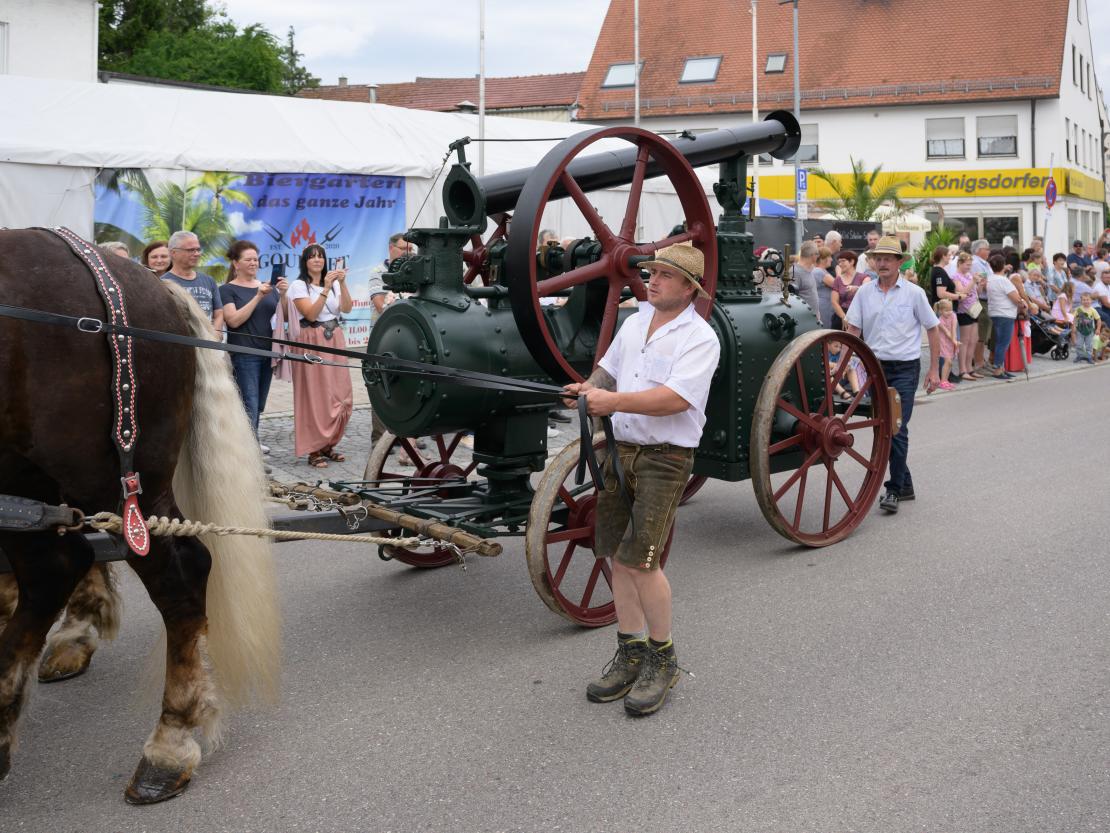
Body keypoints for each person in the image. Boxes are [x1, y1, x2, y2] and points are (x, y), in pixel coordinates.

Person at [563, 243, 719, 717]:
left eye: (665, 275)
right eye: (651, 273)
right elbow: (609, 371)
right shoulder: (634, 323)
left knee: (642, 561)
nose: (652, 280)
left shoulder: (700, 338)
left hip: (665, 458)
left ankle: (663, 659)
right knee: (616, 554)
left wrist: (611, 403)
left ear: (689, 288)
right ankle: (630, 652)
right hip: (621, 449)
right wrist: (589, 389)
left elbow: (675, 400)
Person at [844, 236, 940, 515]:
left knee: (896, 428)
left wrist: (934, 369)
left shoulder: (914, 293)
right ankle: (905, 483)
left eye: (888, 258)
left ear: (899, 262)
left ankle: (894, 489)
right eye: (878, 258)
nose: (882, 263)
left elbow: (933, 328)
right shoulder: (864, 293)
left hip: (905, 369)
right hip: (875, 369)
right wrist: (844, 365)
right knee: (883, 428)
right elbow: (853, 330)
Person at [285, 243, 354, 468]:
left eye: (321, 256)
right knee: (314, 395)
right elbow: (311, 314)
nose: (317, 260)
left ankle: (328, 444)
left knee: (340, 394)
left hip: (334, 338)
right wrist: (325, 288)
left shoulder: (333, 284)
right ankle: (313, 449)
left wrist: (342, 283)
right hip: (311, 341)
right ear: (305, 262)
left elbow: (347, 308)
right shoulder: (298, 286)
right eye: (312, 257)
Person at [220, 240, 286, 441]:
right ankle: (251, 451)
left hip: (268, 353)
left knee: (258, 406)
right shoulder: (227, 290)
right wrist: (258, 297)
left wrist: (283, 294)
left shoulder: (268, 287)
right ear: (236, 263)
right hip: (245, 355)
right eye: (248, 259)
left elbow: (284, 317)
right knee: (249, 404)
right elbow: (233, 320)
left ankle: (249, 444)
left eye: (256, 259)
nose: (253, 263)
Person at [162, 230, 224, 331]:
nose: (197, 254)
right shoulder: (163, 283)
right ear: (173, 253)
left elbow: (219, 312)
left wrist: (216, 333)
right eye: (190, 250)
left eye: (198, 249)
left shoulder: (209, 280)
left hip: (208, 340)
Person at [986, 253, 1026, 380]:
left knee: (1000, 341)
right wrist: (1023, 304)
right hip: (1005, 313)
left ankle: (1001, 368)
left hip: (995, 311)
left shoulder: (990, 279)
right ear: (1003, 265)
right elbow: (1015, 298)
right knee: (1003, 342)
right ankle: (998, 369)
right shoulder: (1004, 281)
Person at [950, 253, 981, 381]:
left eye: (970, 265)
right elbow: (962, 292)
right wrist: (973, 281)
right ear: (960, 263)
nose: (969, 267)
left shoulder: (968, 275)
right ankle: (962, 370)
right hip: (964, 311)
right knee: (965, 340)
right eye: (967, 265)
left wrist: (980, 284)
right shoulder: (955, 277)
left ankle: (969, 368)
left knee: (974, 339)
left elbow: (975, 292)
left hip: (974, 309)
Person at [830, 250, 869, 330]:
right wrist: (844, 317)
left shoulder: (864, 277)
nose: (840, 264)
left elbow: (867, 292)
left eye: (843, 261)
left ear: (852, 262)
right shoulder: (838, 279)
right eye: (839, 262)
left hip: (858, 316)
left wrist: (856, 289)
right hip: (841, 317)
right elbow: (834, 301)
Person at [790, 240, 821, 322]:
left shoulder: (809, 270)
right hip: (803, 320)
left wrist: (817, 312)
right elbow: (791, 299)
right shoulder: (795, 272)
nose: (818, 256)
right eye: (817, 254)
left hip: (812, 319)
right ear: (812, 255)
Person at [933, 299, 959, 391]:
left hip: (951, 341)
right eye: (946, 310)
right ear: (940, 311)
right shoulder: (939, 320)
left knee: (950, 362)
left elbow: (954, 329)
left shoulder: (953, 315)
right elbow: (947, 332)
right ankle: (943, 381)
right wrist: (954, 341)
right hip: (943, 341)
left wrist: (954, 340)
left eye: (950, 309)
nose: (949, 312)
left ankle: (946, 380)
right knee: (948, 361)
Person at [814, 245, 837, 330]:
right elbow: (837, 285)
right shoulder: (819, 271)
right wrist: (838, 271)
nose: (831, 259)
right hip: (824, 307)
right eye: (829, 257)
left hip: (825, 305)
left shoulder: (820, 271)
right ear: (823, 258)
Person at [1074, 293, 1100, 364]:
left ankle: (1089, 357)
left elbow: (1098, 319)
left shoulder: (1093, 310)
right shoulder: (1078, 309)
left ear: (1091, 301)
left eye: (1087, 300)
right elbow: (1074, 319)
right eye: (1084, 300)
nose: (1086, 301)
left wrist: (1098, 329)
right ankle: (1079, 356)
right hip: (1080, 330)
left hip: (1090, 331)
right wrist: (1074, 327)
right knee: (1079, 344)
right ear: (1081, 301)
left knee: (1089, 345)